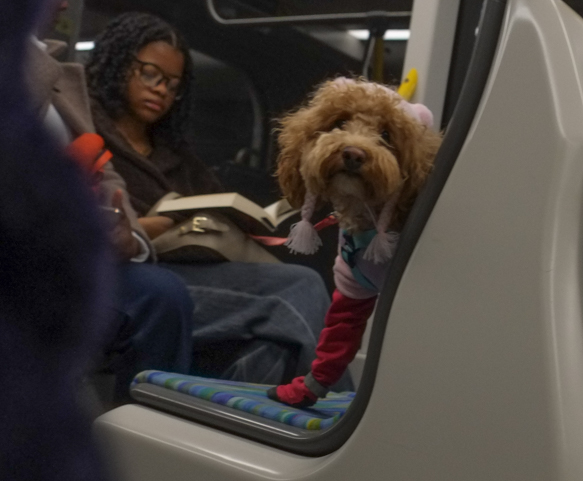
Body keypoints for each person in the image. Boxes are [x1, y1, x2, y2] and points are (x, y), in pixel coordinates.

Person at [86, 12, 349, 388]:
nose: (161, 90)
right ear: (118, 64)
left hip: (195, 264)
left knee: (273, 347)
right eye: (150, 74)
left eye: (173, 84)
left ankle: (237, 421)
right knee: (299, 287)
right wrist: (159, 224)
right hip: (137, 274)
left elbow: (214, 201)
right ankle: (345, 415)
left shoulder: (176, 153)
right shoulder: (87, 128)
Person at [26, 1, 194, 404]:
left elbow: (107, 174)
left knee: (163, 293)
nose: (65, 3)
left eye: (172, 84)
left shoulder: (62, 78)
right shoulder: (28, 65)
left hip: (79, 255)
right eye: (150, 74)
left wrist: (131, 238)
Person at [1, 0, 108, 478]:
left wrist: (126, 227)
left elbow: (106, 169)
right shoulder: (19, 70)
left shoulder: (59, 69)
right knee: (165, 296)